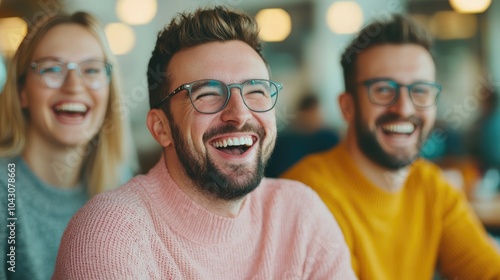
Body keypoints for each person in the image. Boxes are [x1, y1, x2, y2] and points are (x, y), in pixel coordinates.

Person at [53, 6, 355, 279]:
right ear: (161, 128)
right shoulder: (110, 234)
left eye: (256, 91)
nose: (239, 114)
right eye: (207, 94)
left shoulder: (301, 213)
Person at [282, 14, 500, 280]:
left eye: (420, 90)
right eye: (383, 89)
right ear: (347, 107)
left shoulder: (432, 188)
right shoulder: (307, 199)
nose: (404, 108)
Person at [0, 12, 134, 280]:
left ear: (109, 91)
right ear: (22, 91)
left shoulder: (123, 184)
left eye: (92, 69)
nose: (74, 86)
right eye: (51, 69)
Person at [265, 93, 339, 177]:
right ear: (301, 114)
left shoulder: (328, 138)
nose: (313, 117)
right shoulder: (284, 141)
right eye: (310, 112)